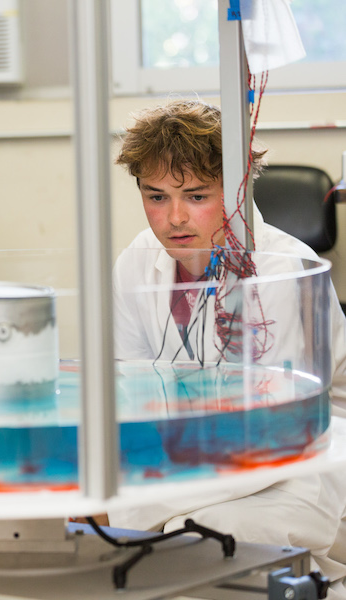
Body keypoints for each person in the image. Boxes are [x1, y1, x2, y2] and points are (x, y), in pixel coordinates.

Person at [108, 98, 346, 596]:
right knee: (172, 542)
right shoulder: (136, 262)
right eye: (155, 196)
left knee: (197, 540)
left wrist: (131, 506)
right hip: (185, 455)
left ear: (237, 188)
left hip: (300, 456)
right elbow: (130, 390)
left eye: (195, 195)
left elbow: (272, 424)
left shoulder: (283, 269)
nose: (174, 218)